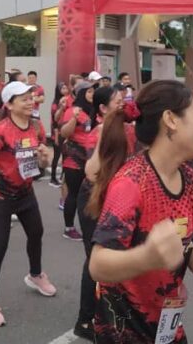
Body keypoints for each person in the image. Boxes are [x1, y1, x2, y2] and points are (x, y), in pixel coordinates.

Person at [88, 80, 193, 343]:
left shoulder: (189, 179)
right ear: (171, 120)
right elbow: (98, 265)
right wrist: (146, 257)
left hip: (166, 327)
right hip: (123, 331)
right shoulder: (131, 182)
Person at [0, 81, 55, 327]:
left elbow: (41, 165)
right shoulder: (1, 130)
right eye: (24, 98)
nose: (31, 102)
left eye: (31, 97)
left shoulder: (37, 126)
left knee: (37, 232)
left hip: (25, 193)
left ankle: (35, 275)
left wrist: (44, 159)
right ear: (9, 105)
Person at [71, 85, 131, 340]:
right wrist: (105, 130)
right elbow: (92, 172)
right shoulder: (97, 132)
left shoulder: (127, 129)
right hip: (93, 199)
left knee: (116, 254)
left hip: (116, 198)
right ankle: (85, 320)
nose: (123, 104)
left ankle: (107, 311)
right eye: (118, 101)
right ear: (104, 108)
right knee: (95, 257)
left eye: (124, 99)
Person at [60, 81, 96, 240]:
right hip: (74, 158)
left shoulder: (94, 110)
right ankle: (69, 228)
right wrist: (74, 119)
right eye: (89, 92)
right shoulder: (73, 110)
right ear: (81, 94)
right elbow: (65, 133)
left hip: (91, 157)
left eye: (93, 91)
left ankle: (89, 227)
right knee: (73, 194)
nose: (92, 94)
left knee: (90, 194)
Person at [49, 82, 71, 187]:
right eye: (63, 88)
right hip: (57, 133)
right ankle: (52, 178)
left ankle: (63, 176)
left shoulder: (68, 101)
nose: (65, 90)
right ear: (58, 90)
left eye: (66, 88)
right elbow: (54, 122)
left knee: (65, 155)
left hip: (64, 132)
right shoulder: (55, 104)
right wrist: (56, 137)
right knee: (57, 156)